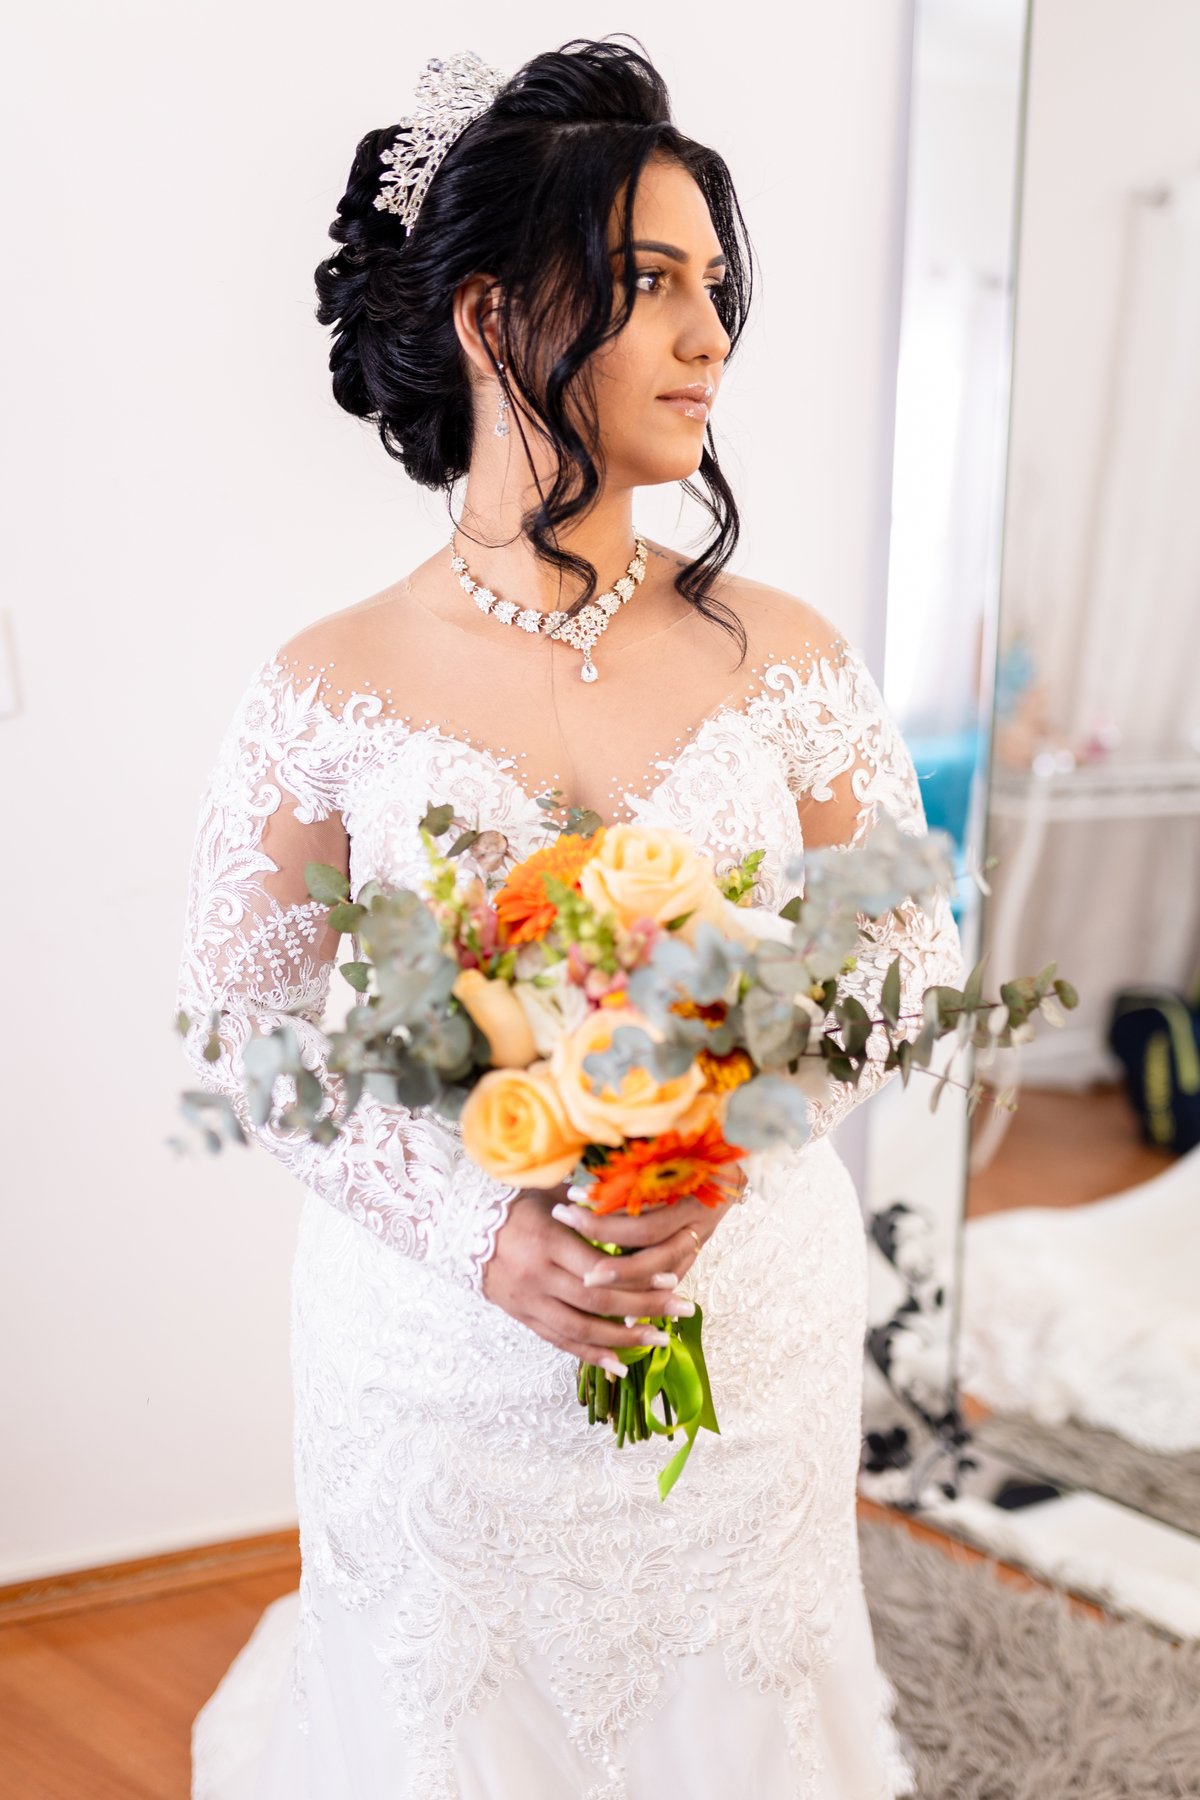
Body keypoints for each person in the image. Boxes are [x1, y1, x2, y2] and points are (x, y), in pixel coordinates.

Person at [181, 39, 958, 1800]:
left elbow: (905, 948)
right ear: (488, 317)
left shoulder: (787, 655)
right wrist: (480, 1231)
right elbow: (248, 1023)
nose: (711, 337)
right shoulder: (327, 685)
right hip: (440, 1356)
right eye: (651, 283)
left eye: (716, 288)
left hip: (741, 1311)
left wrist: (723, 1142)